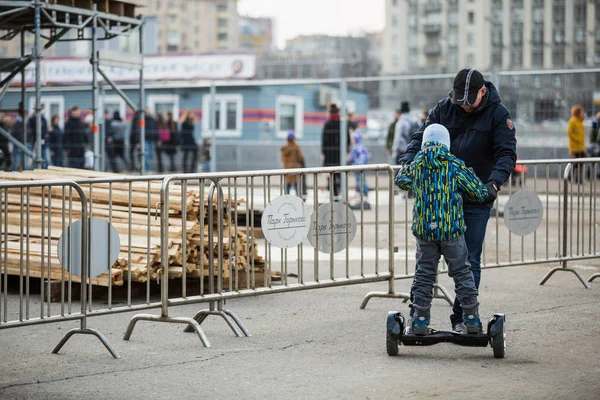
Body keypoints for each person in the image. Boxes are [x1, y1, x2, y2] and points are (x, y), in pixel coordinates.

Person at [399, 68, 517, 333]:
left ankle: (464, 319)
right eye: (458, 101)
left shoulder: (499, 115)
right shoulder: (444, 107)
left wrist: (493, 184)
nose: (463, 105)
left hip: (476, 196)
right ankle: (419, 319)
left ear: (483, 92)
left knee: (468, 262)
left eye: (468, 101)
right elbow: (420, 137)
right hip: (439, 199)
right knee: (426, 268)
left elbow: (507, 153)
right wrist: (409, 161)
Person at [395, 123, 488, 335]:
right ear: (447, 143)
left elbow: (401, 180)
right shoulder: (454, 165)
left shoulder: (417, 164)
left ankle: (418, 321)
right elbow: (477, 191)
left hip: (425, 230)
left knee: (424, 274)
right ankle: (472, 321)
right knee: (462, 273)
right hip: (451, 229)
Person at [321, 102, 349, 198]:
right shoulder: (342, 124)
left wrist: (324, 152)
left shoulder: (327, 124)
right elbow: (348, 139)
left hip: (329, 154)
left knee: (331, 174)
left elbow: (324, 140)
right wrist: (346, 150)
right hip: (339, 153)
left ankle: (334, 194)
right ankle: (341, 191)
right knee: (340, 174)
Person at [348, 130, 371, 210]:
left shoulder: (354, 147)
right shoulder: (362, 146)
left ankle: (360, 192)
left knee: (358, 180)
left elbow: (351, 157)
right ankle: (365, 192)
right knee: (363, 179)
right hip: (364, 166)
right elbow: (368, 155)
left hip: (357, 166)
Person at [280, 131, 306, 195]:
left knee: (287, 185)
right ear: (294, 138)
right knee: (296, 185)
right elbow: (301, 158)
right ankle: (297, 199)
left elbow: (282, 159)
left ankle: (286, 198)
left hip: (287, 169)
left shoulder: (284, 149)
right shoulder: (296, 148)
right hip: (295, 169)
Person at [567, 105, 586, 184]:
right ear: (578, 112)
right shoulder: (573, 121)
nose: (583, 113)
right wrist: (577, 139)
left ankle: (579, 179)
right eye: (581, 112)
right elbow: (569, 132)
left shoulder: (581, 121)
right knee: (575, 163)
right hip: (574, 147)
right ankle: (569, 175)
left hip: (581, 147)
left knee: (581, 163)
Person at [26, 103, 50, 168]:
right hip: (34, 142)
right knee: (35, 159)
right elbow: (31, 130)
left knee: (46, 160)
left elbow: (45, 130)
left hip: (43, 142)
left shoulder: (44, 119)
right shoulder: (32, 119)